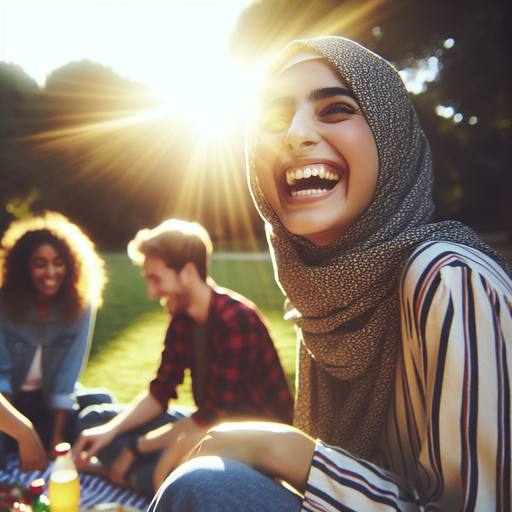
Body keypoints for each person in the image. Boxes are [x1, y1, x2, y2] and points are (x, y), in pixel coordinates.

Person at [148, 37, 512, 511]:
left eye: (336, 109)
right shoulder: (321, 294)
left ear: (391, 138)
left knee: (201, 486)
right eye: (274, 119)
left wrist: (285, 449)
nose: (295, 134)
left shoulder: (448, 278)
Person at [73, 218, 294, 497]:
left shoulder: (237, 320)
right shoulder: (181, 319)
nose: (152, 292)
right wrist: (111, 432)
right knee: (94, 421)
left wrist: (135, 448)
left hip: (255, 447)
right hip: (207, 425)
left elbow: (211, 418)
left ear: (188, 272)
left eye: (156, 279)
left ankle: (137, 476)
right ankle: (137, 473)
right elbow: (160, 392)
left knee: (186, 481)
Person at [0, 211, 112, 469]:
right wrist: (15, 432)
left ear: (70, 265)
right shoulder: (4, 303)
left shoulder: (81, 307)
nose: (51, 272)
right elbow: (2, 378)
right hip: (8, 404)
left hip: (49, 403)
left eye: (58, 262)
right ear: (24, 267)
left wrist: (57, 439)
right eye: (40, 263)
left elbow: (66, 380)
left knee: (101, 405)